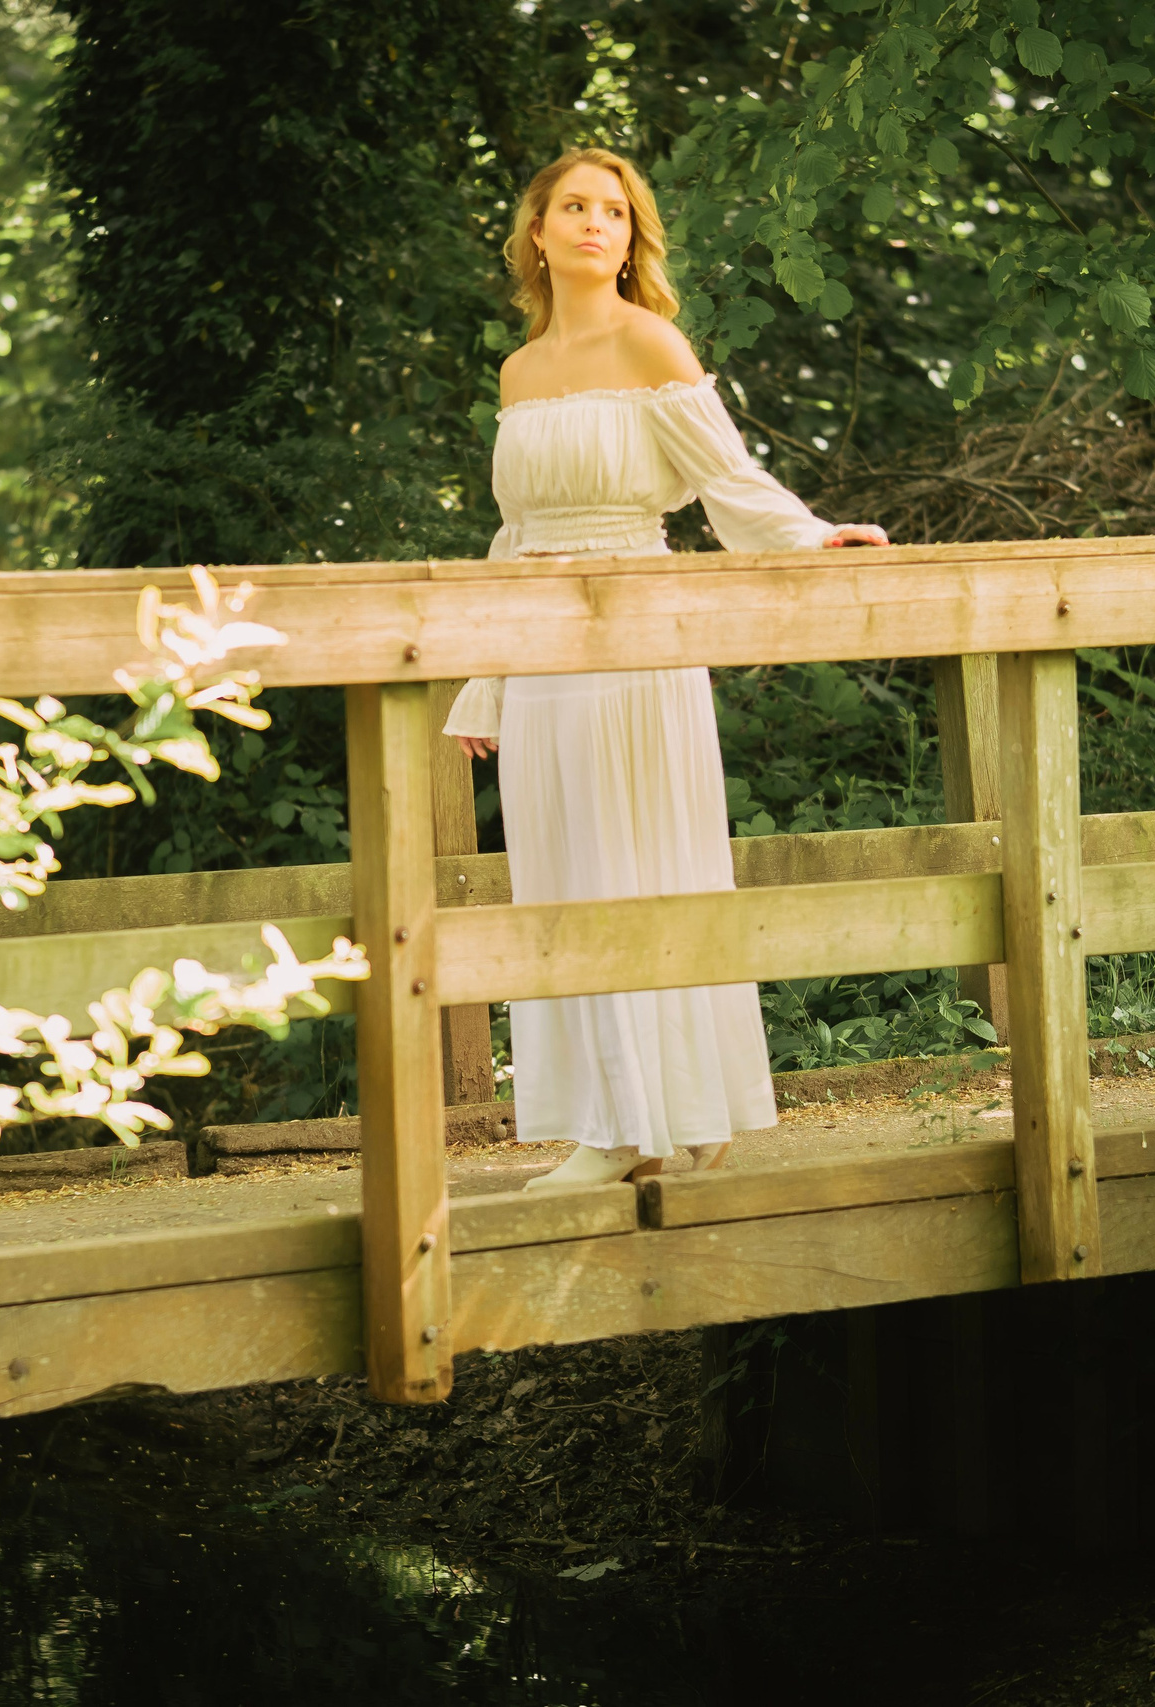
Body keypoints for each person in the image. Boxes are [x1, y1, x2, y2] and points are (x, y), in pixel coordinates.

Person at [441, 147, 888, 1192]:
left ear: (631, 239)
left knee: (643, 870)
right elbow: (512, 538)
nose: (596, 223)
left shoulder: (650, 343)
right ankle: (615, 1120)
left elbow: (729, 480)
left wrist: (809, 538)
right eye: (575, 207)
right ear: (538, 232)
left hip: (637, 642)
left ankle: (675, 1112)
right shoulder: (518, 372)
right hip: (543, 657)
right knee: (562, 879)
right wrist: (485, 677)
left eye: (615, 212)